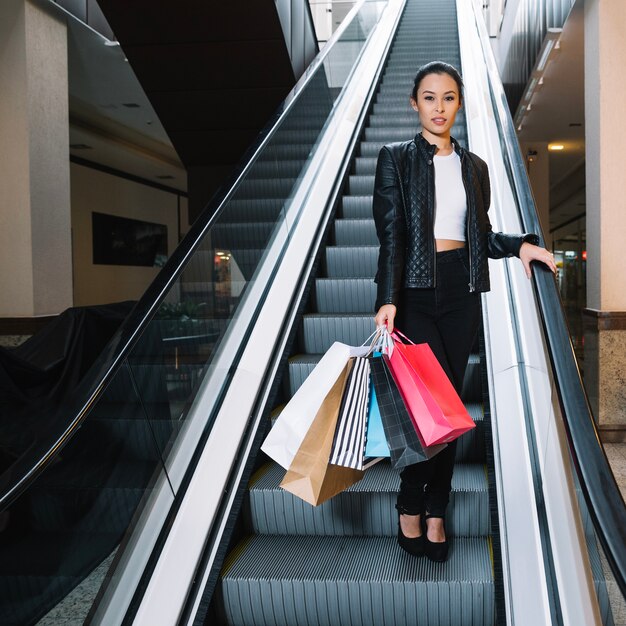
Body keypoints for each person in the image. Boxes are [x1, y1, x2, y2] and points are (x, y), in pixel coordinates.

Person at [372, 61, 556, 562]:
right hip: (413, 291)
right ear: (415, 104)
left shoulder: (476, 167)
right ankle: (410, 507)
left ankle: (437, 512)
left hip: (460, 292)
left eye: (448, 98)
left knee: (451, 413)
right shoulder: (394, 159)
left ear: (459, 103)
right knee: (423, 410)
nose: (438, 107)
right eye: (429, 98)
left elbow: (479, 236)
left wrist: (520, 246)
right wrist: (387, 298)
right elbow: (391, 235)